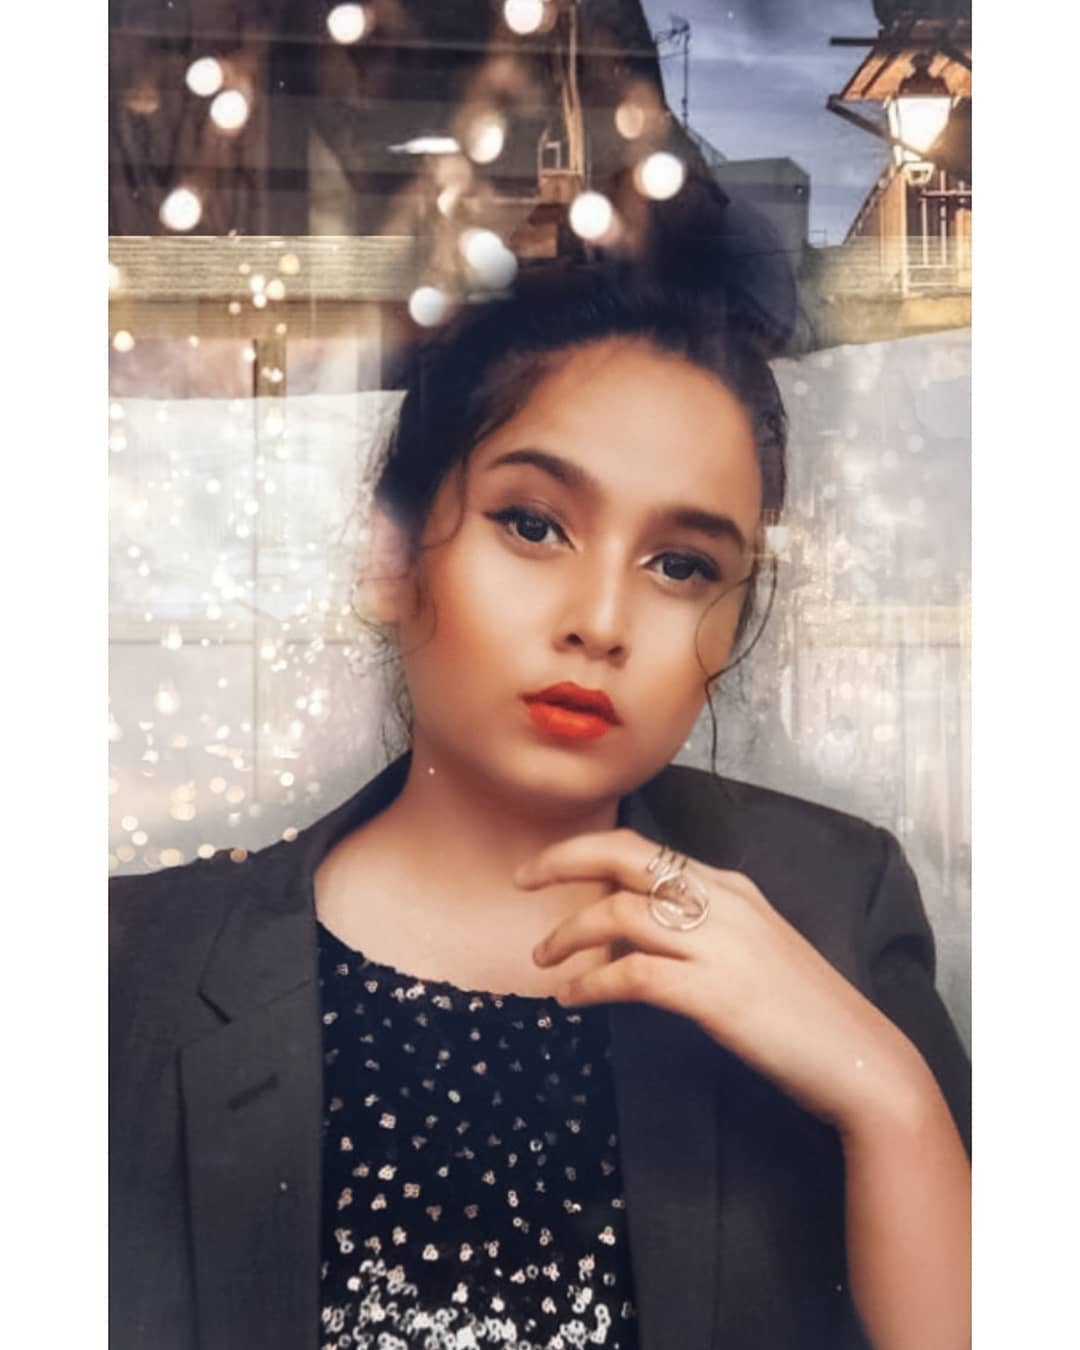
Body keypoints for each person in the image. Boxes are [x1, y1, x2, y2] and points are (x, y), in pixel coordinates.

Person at [110, 241, 971, 1350]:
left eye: (682, 566)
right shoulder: (134, 968)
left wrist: (889, 1101)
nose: (601, 621)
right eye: (532, 523)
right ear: (392, 554)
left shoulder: (834, 905)